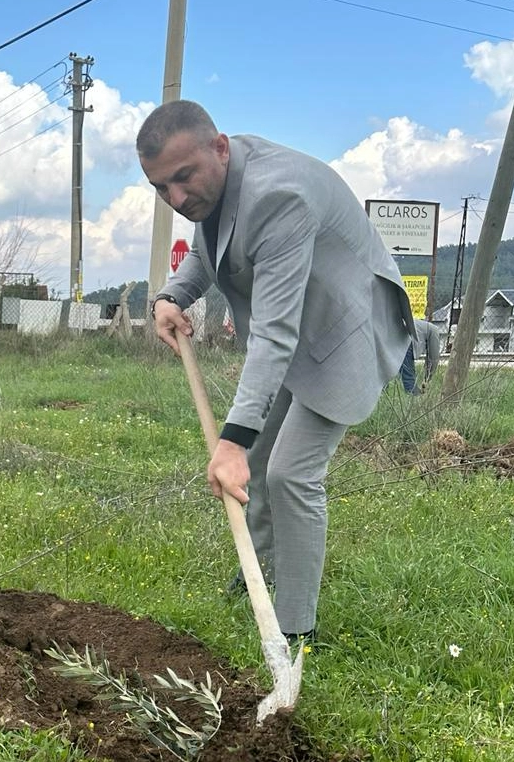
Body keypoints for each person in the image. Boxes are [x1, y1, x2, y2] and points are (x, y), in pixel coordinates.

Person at [139, 100, 414, 643]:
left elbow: (274, 334)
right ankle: (257, 573)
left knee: (289, 473)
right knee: (261, 463)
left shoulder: (277, 195)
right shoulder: (216, 183)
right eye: (160, 188)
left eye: (182, 179)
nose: (175, 199)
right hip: (302, 326)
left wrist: (232, 440)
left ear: (219, 148)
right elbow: (207, 248)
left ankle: (293, 628)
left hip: (346, 332)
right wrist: (173, 295)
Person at [398, 318, 440, 394]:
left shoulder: (425, 327)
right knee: (409, 378)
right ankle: (414, 396)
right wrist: (428, 378)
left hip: (397, 332)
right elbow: (433, 358)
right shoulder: (434, 331)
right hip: (407, 337)